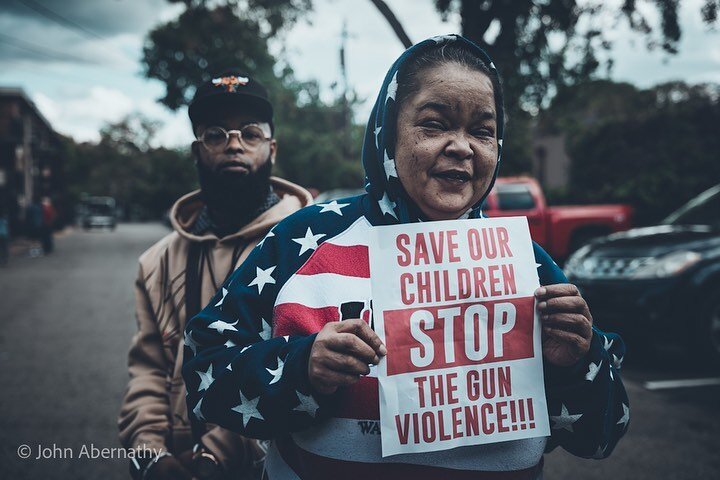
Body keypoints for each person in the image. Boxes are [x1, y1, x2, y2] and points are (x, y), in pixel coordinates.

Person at [182, 36, 629, 479]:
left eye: (482, 130)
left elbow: (600, 438)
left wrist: (578, 362)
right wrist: (303, 369)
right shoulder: (305, 239)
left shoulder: (530, 268)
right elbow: (204, 367)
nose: (462, 146)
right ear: (387, 132)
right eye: (434, 125)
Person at [118, 70, 314, 480]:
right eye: (215, 134)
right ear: (196, 149)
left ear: (271, 147)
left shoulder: (310, 246)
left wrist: (215, 457)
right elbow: (150, 370)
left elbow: (312, 373)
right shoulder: (158, 262)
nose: (233, 145)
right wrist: (150, 455)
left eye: (250, 133)